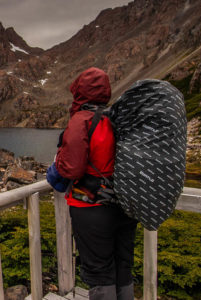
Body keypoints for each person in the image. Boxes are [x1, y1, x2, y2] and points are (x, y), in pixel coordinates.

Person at [47, 67, 137, 300]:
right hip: (124, 204)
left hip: (91, 207)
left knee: (100, 272)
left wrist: (54, 170)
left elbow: (72, 168)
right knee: (123, 267)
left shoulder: (81, 120)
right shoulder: (115, 117)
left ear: (80, 91)